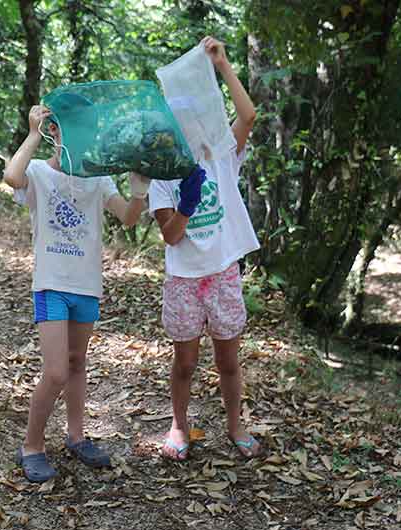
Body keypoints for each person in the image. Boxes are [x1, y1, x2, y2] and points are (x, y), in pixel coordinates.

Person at [3, 106, 151, 482]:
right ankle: (32, 446)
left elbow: (129, 218)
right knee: (55, 372)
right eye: (73, 130)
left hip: (86, 285)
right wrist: (33, 133)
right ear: (55, 132)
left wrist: (139, 191)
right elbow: (11, 175)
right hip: (52, 283)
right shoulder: (39, 173)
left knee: (77, 363)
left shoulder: (97, 180)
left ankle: (76, 435)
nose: (83, 139)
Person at [148, 36, 262, 461]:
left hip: (223, 272)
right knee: (186, 363)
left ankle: (235, 426)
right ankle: (179, 426)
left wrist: (223, 66)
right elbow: (172, 236)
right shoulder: (163, 175)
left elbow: (248, 116)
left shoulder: (220, 157)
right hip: (184, 279)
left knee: (229, 362)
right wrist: (185, 203)